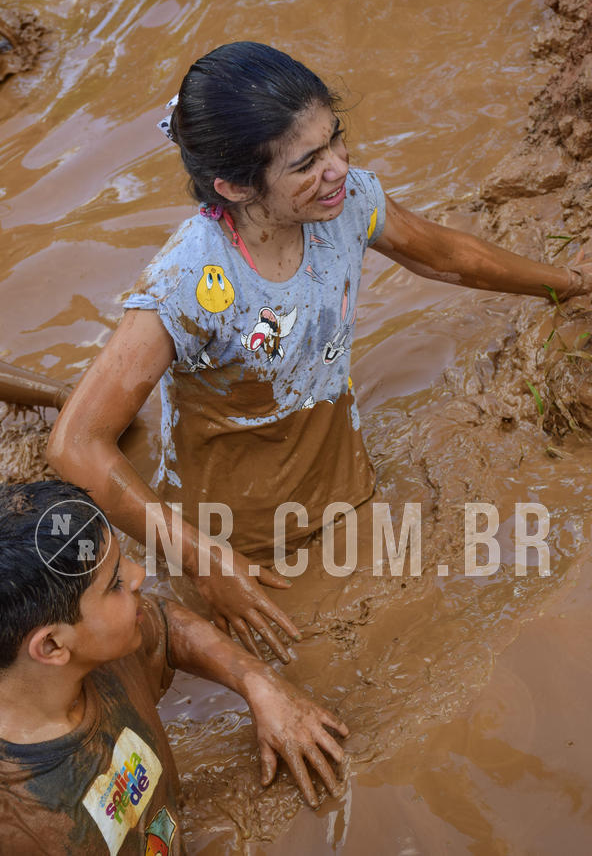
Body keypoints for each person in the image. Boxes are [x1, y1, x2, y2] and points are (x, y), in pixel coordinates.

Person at [47, 40, 592, 662]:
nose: (339, 166)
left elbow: (443, 256)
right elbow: (75, 444)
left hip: (340, 471)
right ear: (234, 186)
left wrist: (569, 284)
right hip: (238, 529)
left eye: (336, 138)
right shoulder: (189, 281)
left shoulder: (348, 202)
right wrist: (204, 562)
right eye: (307, 162)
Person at [0, 480, 348, 855]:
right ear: (51, 646)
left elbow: (163, 622)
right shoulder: (14, 821)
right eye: (114, 583)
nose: (139, 574)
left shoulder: (101, 655)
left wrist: (258, 683)